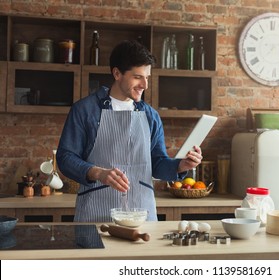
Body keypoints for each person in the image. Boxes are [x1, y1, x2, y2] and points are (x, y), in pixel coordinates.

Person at [56, 40, 203, 222]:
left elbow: (157, 164)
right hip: (95, 215)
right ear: (117, 73)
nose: (145, 85)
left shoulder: (151, 116)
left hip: (143, 216)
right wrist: (98, 173)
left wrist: (181, 166)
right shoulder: (85, 110)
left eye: (147, 77)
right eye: (137, 77)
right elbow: (65, 158)